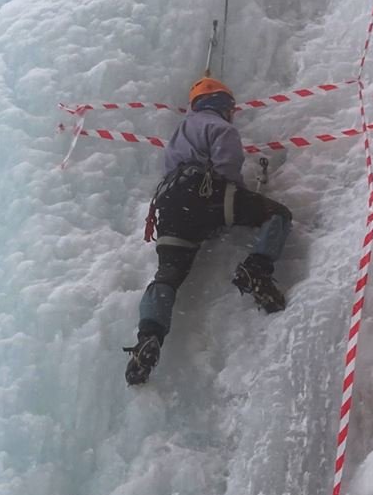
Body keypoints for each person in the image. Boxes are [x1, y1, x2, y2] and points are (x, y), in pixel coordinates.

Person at [124, 76, 292, 385]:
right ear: (223, 105)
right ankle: (257, 270)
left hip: (169, 206)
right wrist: (240, 202)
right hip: (203, 192)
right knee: (278, 215)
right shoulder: (220, 128)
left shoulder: (178, 135)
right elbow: (227, 168)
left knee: (168, 275)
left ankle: (148, 336)